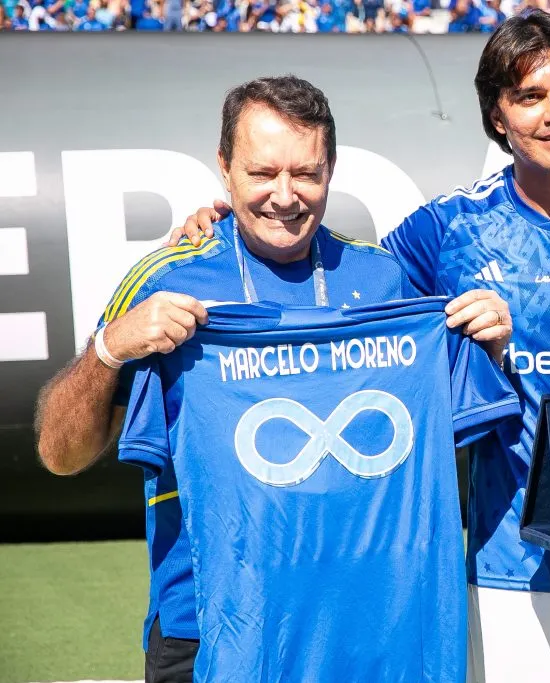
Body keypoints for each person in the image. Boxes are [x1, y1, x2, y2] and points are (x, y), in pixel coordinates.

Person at [173, 10, 550, 682]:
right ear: (498, 116)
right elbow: (342, 278)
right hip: (509, 568)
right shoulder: (443, 231)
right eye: (530, 97)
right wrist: (224, 221)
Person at [34, 75, 511, 683]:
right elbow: (59, 454)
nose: (284, 196)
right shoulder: (165, 279)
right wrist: (109, 348)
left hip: (364, 621)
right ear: (224, 168)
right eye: (262, 174)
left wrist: (488, 351)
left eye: (305, 173)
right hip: (205, 625)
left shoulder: (383, 282)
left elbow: (434, 451)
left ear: (331, 169)